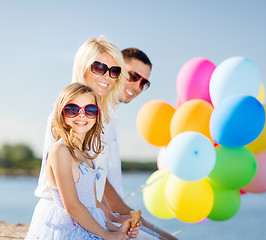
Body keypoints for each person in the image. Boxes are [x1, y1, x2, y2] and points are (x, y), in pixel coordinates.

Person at [25, 36, 129, 239]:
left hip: (92, 220)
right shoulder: (64, 120)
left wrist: (113, 222)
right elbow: (70, 202)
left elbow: (92, 193)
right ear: (82, 67)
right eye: (99, 68)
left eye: (114, 71)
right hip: (64, 223)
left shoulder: (102, 119)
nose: (107, 76)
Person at [36, 83, 139, 240]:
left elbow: (93, 205)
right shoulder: (60, 151)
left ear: (96, 116)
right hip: (70, 233)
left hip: (89, 229)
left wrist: (116, 228)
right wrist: (106, 234)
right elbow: (72, 206)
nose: (82, 115)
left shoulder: (85, 156)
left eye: (90, 110)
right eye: (73, 109)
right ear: (61, 113)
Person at [102, 48, 178, 240]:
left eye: (144, 82)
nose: (137, 86)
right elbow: (104, 191)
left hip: (114, 218)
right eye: (133, 76)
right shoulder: (94, 114)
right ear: (115, 70)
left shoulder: (111, 114)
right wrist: (158, 232)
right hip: (103, 221)